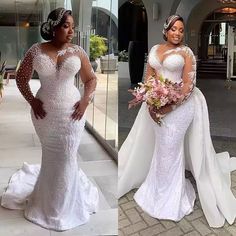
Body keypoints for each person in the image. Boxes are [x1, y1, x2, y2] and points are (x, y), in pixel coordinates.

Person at [118, 15, 236, 228]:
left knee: (170, 148)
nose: (178, 33)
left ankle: (172, 197)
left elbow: (188, 87)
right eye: (174, 29)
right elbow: (149, 78)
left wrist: (167, 107)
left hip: (180, 108)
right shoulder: (155, 49)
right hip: (155, 105)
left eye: (181, 30)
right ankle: (156, 188)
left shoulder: (186, 53)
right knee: (162, 148)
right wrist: (151, 101)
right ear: (166, 30)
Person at [1, 8, 99, 231]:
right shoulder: (36, 50)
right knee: (53, 157)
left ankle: (64, 205)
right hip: (44, 116)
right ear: (54, 27)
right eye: (67, 26)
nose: (72, 31)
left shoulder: (78, 52)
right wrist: (32, 101)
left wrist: (85, 102)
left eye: (73, 27)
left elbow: (91, 79)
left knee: (67, 156)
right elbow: (22, 79)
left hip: (73, 114)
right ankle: (48, 202)